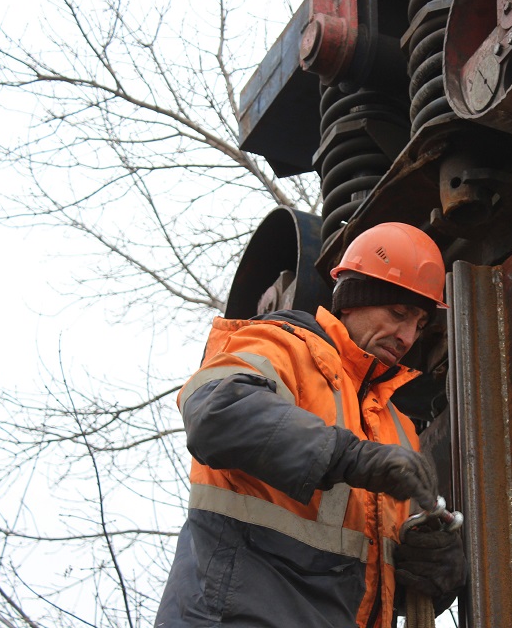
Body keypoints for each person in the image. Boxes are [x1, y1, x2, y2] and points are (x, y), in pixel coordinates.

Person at [155, 222, 467, 628]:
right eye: (398, 313)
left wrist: (436, 567)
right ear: (352, 300)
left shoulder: (398, 427)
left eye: (420, 325)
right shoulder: (281, 346)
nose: (407, 336)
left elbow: (383, 580)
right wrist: (354, 457)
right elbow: (217, 413)